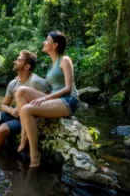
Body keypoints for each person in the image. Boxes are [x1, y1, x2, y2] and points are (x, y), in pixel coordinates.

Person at [15, 31, 79, 167]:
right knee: (20, 91)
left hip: (68, 100)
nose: (44, 42)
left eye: (47, 40)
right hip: (56, 98)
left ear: (55, 45)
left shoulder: (65, 60)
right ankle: (24, 135)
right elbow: (51, 86)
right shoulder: (51, 65)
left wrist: (44, 99)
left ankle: (34, 156)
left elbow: (68, 88)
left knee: (27, 109)